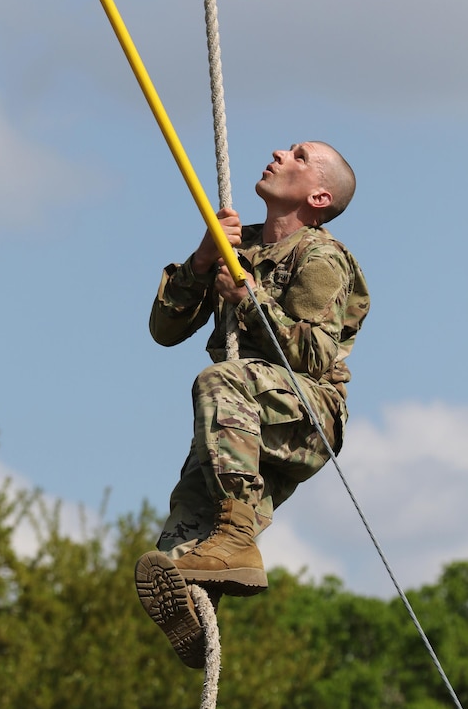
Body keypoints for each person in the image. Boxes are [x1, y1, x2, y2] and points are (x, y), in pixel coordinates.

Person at [135, 141, 370, 669]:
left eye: (299, 155)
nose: (279, 153)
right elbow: (163, 329)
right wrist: (202, 262)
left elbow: (315, 355)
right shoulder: (240, 247)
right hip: (245, 422)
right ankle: (199, 613)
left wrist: (248, 300)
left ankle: (238, 535)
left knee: (218, 380)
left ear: (319, 195)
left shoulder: (319, 256)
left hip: (304, 414)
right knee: (182, 533)